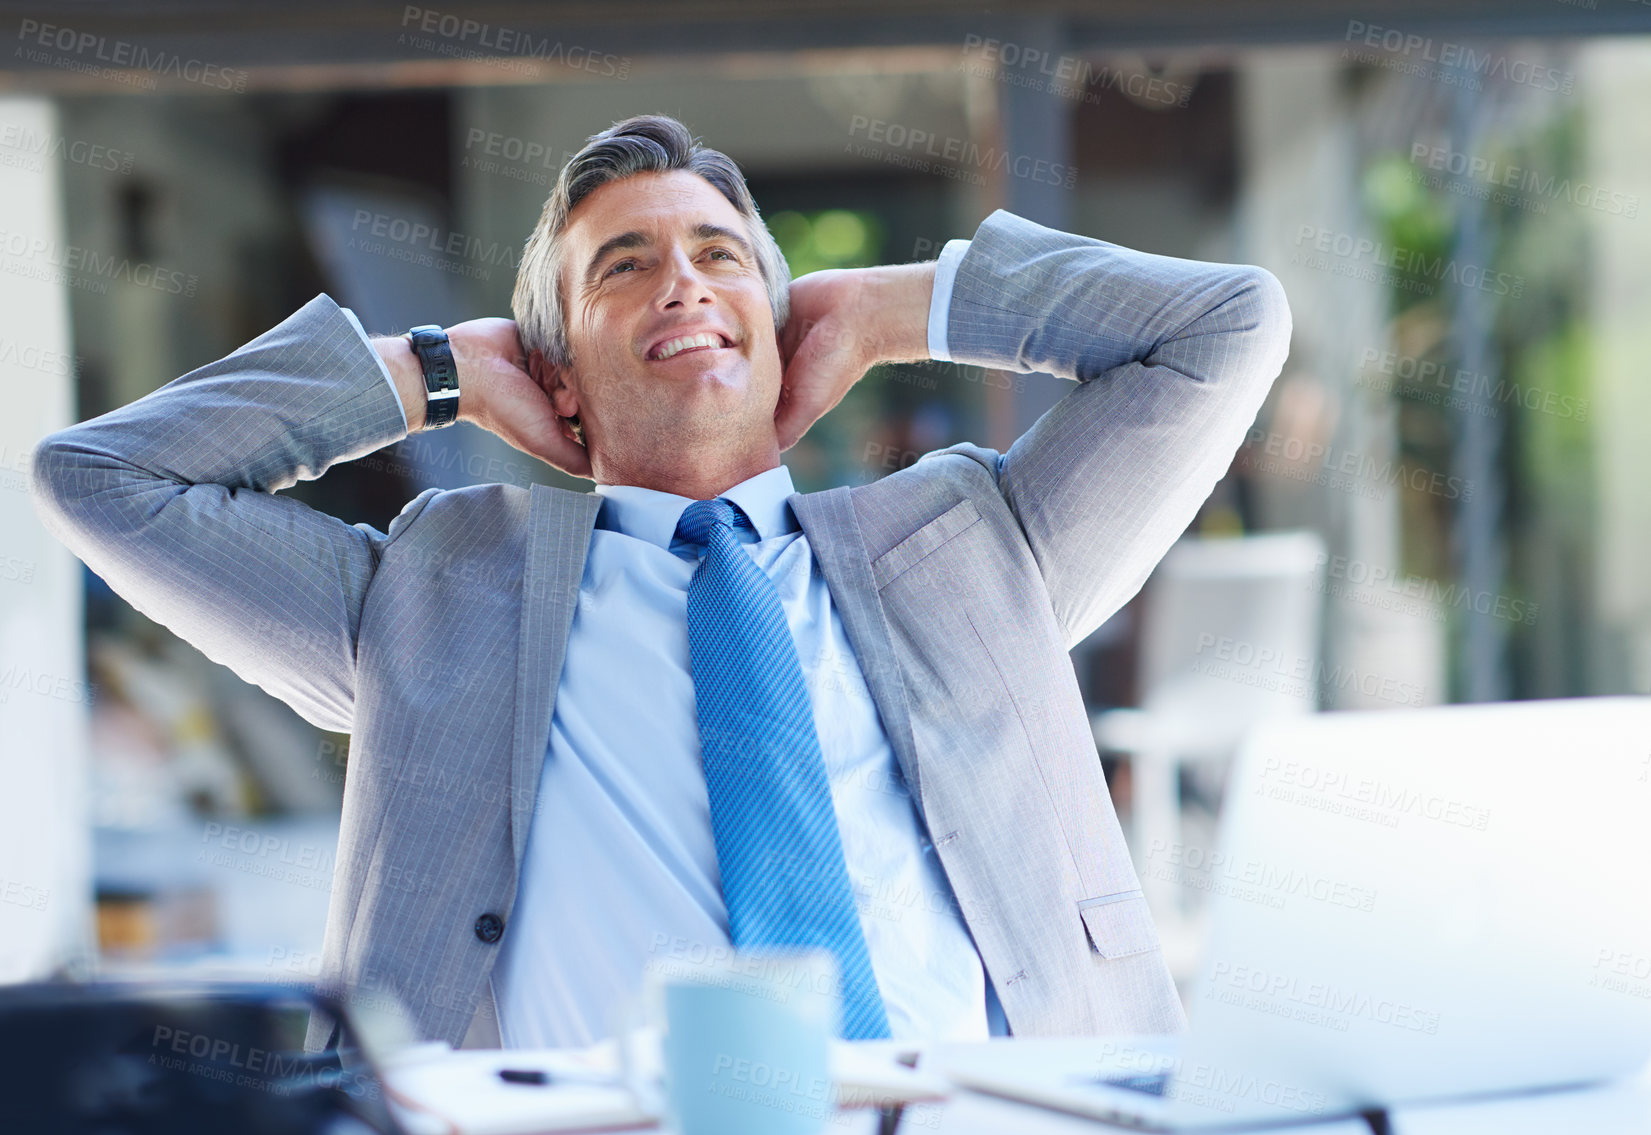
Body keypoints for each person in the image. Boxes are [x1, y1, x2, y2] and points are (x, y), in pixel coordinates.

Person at [30, 114, 1291, 1051]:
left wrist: (905, 306)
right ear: (556, 372)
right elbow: (103, 475)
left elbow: (1224, 327)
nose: (682, 278)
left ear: (778, 319)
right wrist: (426, 370)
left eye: (721, 254)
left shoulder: (975, 537)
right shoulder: (431, 586)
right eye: (622, 265)